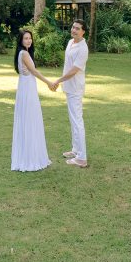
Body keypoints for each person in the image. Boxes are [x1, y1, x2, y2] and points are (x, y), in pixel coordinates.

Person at [11, 29, 53, 172]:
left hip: (26, 88)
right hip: (27, 91)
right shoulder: (24, 53)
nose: (29, 40)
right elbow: (34, 72)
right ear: (21, 41)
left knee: (28, 120)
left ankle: (28, 155)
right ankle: (30, 158)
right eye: (26, 38)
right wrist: (48, 82)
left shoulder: (22, 53)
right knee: (30, 120)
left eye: (30, 38)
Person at [49, 18, 89, 168]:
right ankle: (76, 150)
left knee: (77, 121)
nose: (74, 30)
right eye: (73, 27)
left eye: (78, 28)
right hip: (69, 87)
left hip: (75, 88)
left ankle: (82, 158)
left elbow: (73, 71)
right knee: (73, 120)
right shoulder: (70, 42)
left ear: (83, 31)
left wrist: (58, 80)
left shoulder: (83, 49)